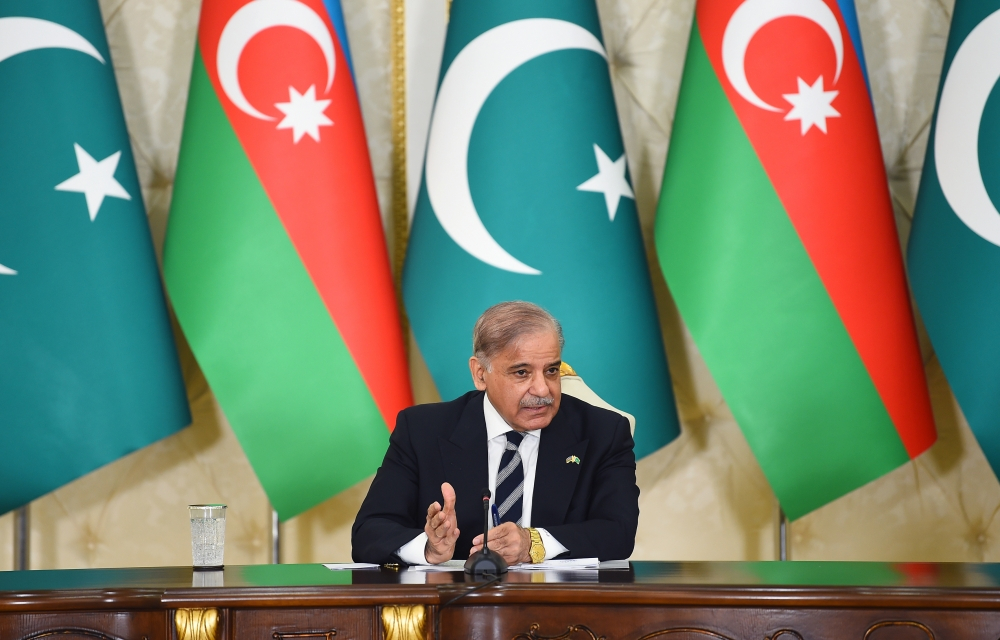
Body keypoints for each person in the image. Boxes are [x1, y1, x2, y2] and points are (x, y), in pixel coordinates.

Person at [351, 301, 639, 565]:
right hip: (455, 599)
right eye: (522, 372)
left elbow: (619, 531)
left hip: (559, 600)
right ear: (480, 374)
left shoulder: (604, 432)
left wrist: (533, 543)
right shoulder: (422, 430)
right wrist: (429, 548)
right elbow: (369, 532)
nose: (543, 389)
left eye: (551, 371)